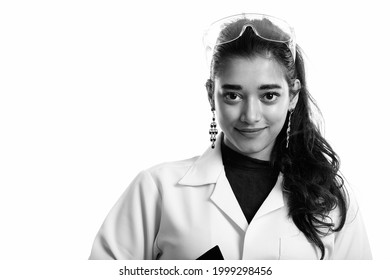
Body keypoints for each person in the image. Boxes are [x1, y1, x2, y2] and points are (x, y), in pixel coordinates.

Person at [89, 13, 372, 260]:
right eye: (233, 95)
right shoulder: (157, 189)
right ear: (211, 95)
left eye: (269, 95)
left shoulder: (331, 198)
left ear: (293, 96)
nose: (251, 115)